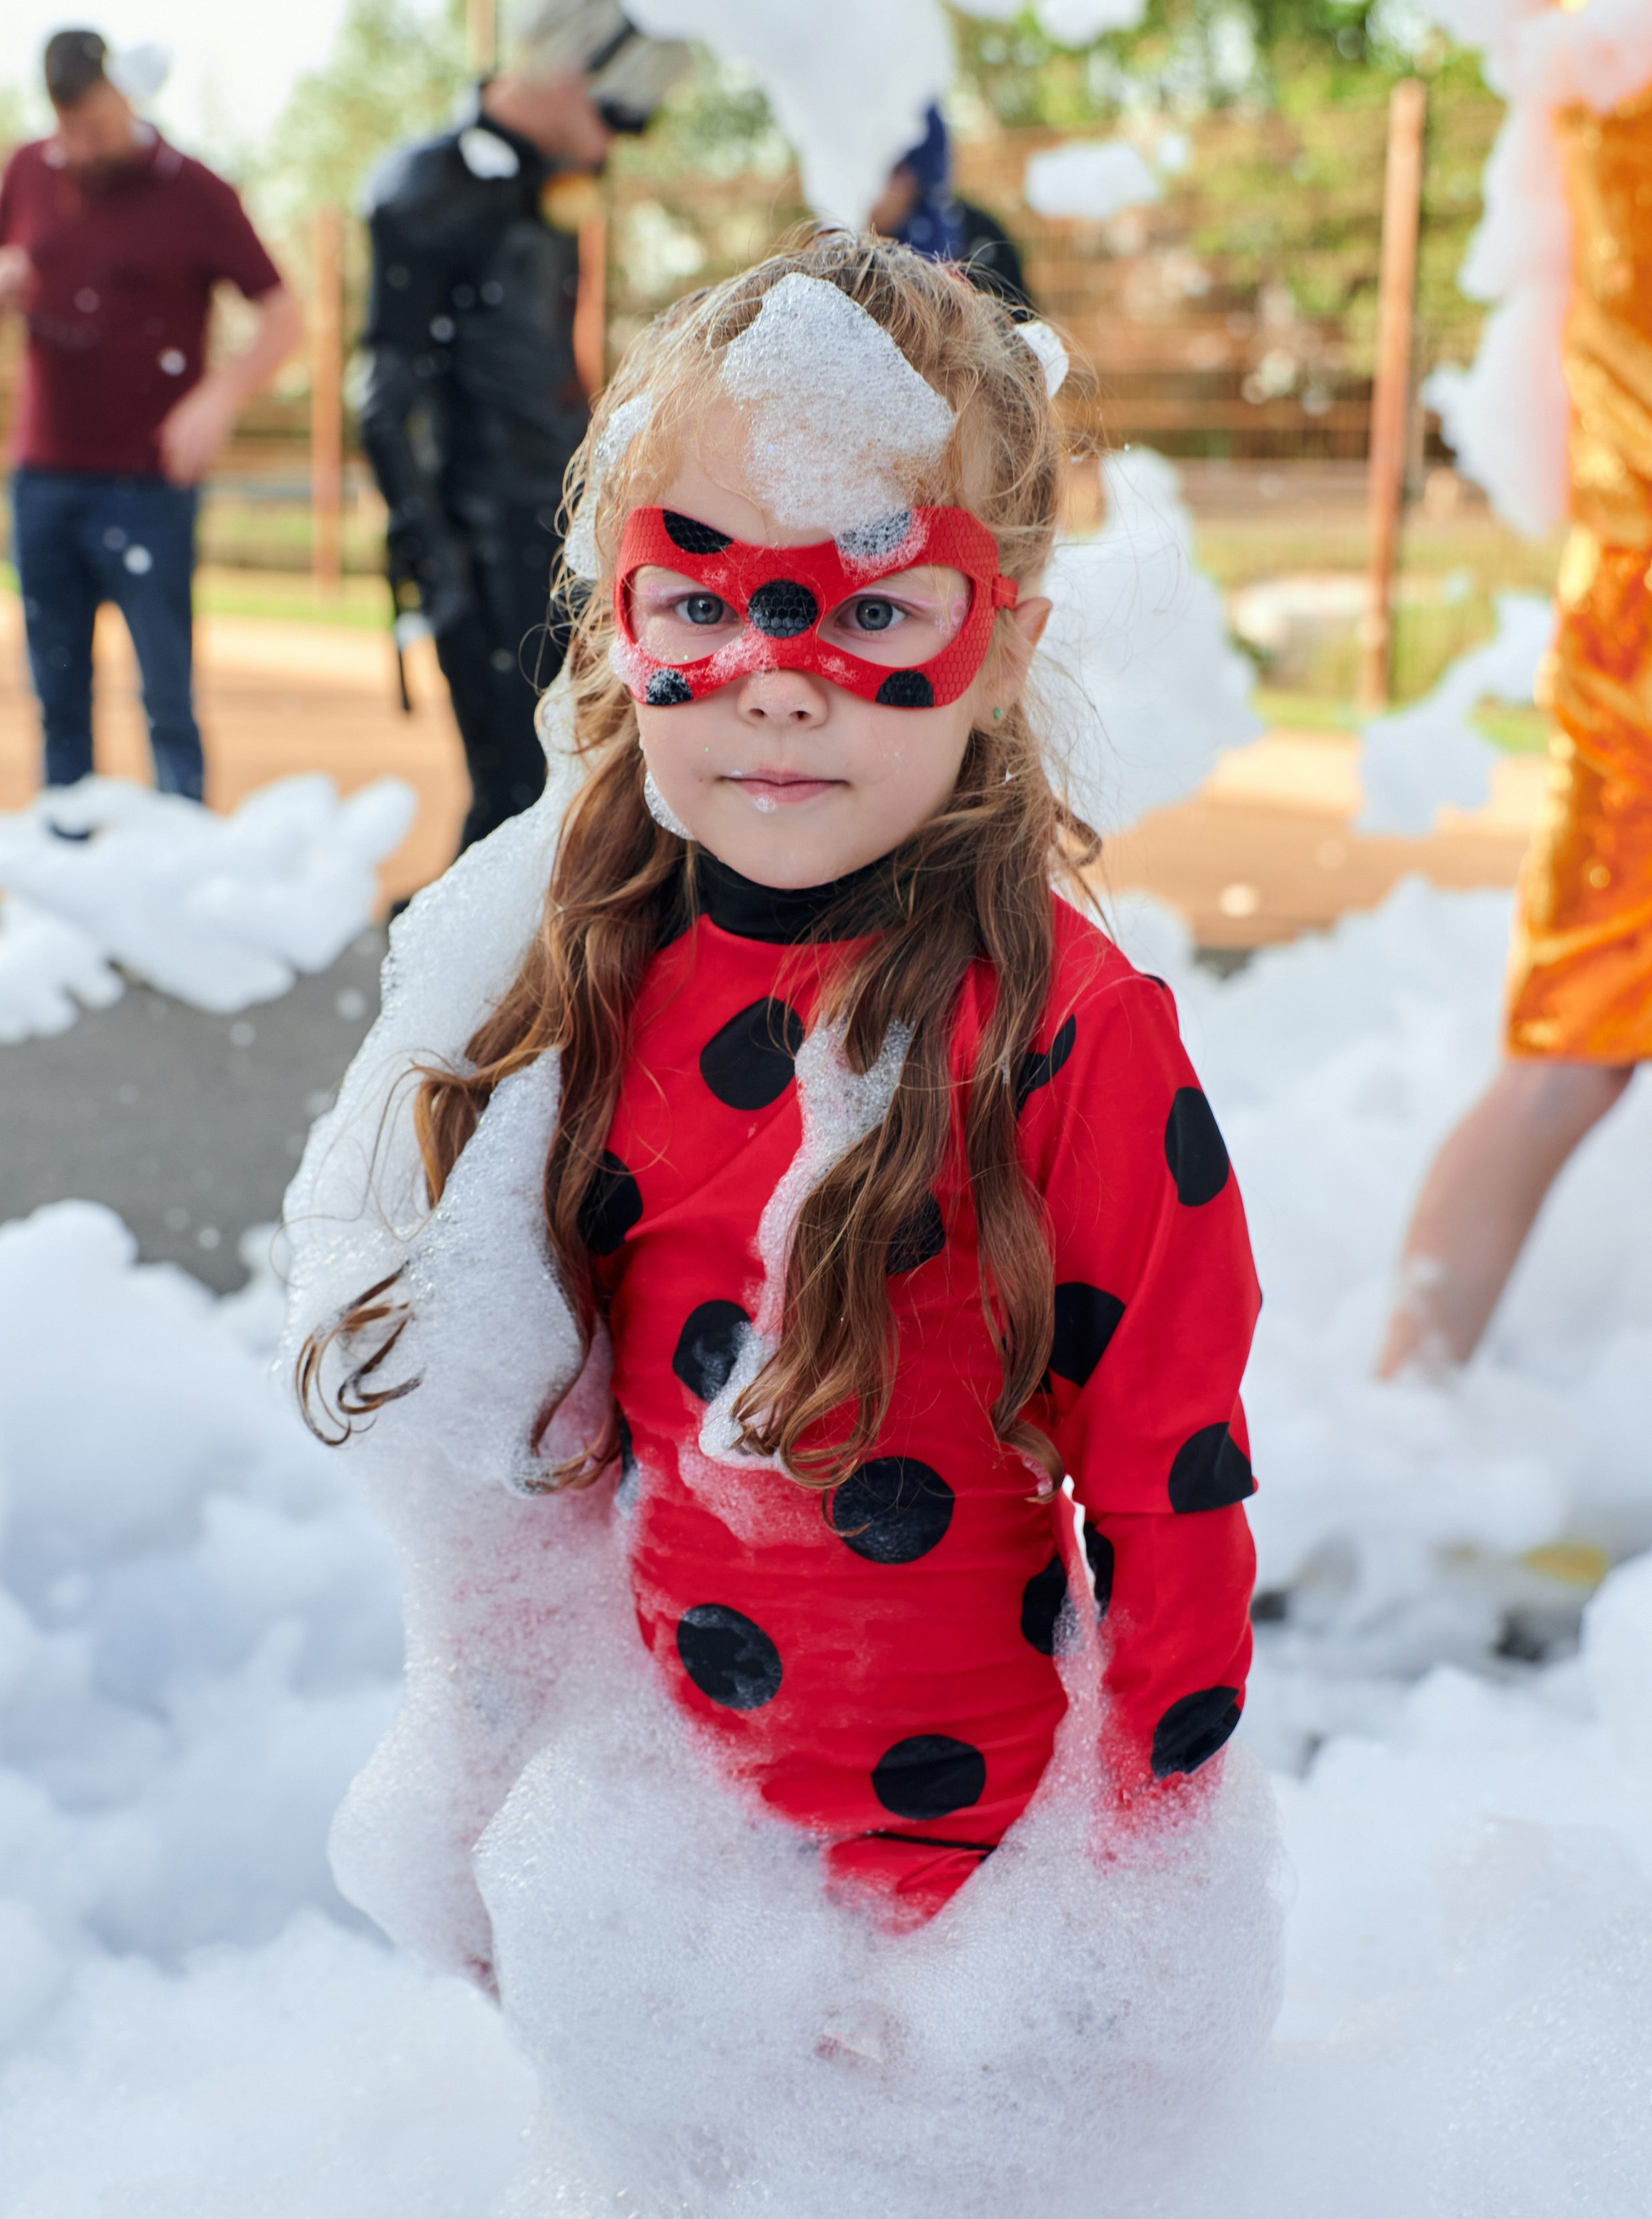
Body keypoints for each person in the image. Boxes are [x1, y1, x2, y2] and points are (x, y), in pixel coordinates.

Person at [296, 233, 1259, 1939]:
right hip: (654, 1865)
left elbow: (1168, 1491)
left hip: (967, 1899)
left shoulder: (1067, 1032)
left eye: (876, 606)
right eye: (704, 599)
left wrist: (1131, 1899)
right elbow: (532, 1489)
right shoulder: (585, 964)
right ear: (623, 617)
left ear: (1001, 643)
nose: (782, 677)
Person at [1378, 77, 1652, 1377]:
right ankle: (1394, 1413)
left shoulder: (1598, 72)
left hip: (1626, 615)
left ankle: (1397, 1406)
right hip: (1635, 631)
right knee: (1563, 1056)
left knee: (1564, 1054)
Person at [360, 3, 687, 857]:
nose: (613, 146)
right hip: (476, 534)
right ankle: (465, 966)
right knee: (516, 781)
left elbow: (549, 371)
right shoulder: (424, 189)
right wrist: (430, 545)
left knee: (582, 770)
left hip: (559, 524)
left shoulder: (546, 192)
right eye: (617, 117)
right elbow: (386, 393)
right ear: (570, 73)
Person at [0, 28, 302, 802]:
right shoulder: (25, 169)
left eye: (96, 125)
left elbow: (284, 316)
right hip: (42, 478)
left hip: (149, 485)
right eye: (67, 129)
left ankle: (177, 871)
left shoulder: (196, 192)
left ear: (125, 94)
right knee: (57, 698)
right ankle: (68, 857)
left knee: (166, 698)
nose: (81, 145)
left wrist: (218, 397)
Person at [868, 104, 1034, 316]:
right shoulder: (842, 250)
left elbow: (1022, 331)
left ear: (914, 178)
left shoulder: (983, 245)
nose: (870, 194)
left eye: (888, 175)